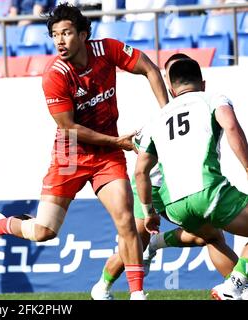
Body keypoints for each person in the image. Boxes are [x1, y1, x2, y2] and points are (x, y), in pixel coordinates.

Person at [0, 3, 169, 300]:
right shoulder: (55, 75)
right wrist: (118, 142)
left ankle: (137, 294)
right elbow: (70, 128)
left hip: (106, 156)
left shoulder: (107, 50)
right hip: (70, 154)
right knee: (44, 231)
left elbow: (150, 69)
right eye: (54, 34)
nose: (60, 40)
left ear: (84, 34)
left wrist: (168, 113)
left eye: (66, 33)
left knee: (126, 220)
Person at [90, 53, 240, 300]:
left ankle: (237, 287)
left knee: (212, 237)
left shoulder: (196, 102)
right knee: (135, 242)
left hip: (181, 184)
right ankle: (102, 287)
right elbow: (142, 159)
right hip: (151, 184)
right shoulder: (163, 110)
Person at [135, 58, 248, 300]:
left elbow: (140, 170)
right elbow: (230, 127)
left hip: (174, 206)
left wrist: (149, 213)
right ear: (203, 83)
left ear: (172, 91)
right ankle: (235, 284)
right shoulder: (212, 99)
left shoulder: (158, 118)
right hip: (208, 192)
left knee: (212, 237)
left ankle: (239, 290)